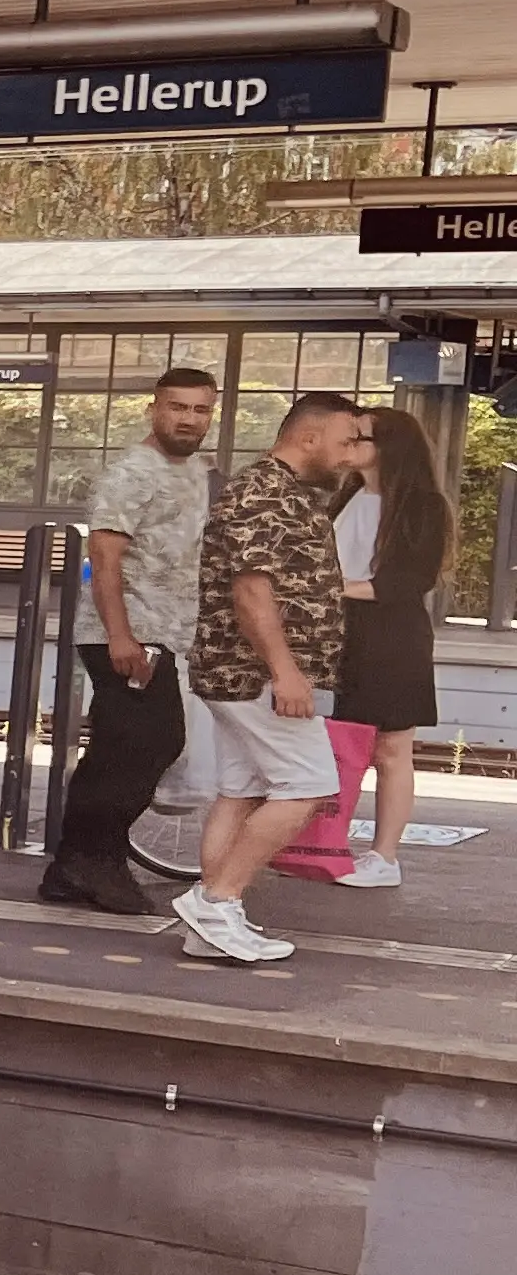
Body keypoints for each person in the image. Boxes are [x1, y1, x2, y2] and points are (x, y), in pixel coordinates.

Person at [170, 390, 375, 963]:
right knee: (308, 787)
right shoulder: (266, 494)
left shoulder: (284, 492)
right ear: (308, 438)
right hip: (256, 675)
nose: (352, 453)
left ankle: (211, 924)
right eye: (345, 440)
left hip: (238, 671)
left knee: (240, 792)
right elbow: (252, 591)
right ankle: (216, 899)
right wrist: (286, 673)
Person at [40, 366, 220, 914]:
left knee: (127, 748)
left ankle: (79, 864)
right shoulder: (132, 472)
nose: (189, 419)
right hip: (127, 635)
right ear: (154, 408)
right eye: (177, 407)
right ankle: (91, 862)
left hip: (164, 635)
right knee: (146, 744)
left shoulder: (194, 470)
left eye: (200, 409)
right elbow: (104, 556)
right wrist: (122, 637)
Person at [274, 403, 447, 890]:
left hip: (391, 638)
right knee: (333, 742)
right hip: (337, 632)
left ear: (388, 448)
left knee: (391, 748)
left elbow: (409, 581)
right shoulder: (342, 496)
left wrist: (329, 587)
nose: (350, 448)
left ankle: (384, 856)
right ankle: (322, 841)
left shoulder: (422, 506)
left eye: (361, 439)